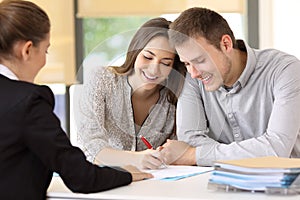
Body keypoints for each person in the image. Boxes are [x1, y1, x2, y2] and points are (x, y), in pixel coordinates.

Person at [0, 1, 152, 199]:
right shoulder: (28, 102)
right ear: (27, 50)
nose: (45, 60)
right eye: (45, 50)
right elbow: (81, 177)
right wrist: (126, 175)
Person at [160, 7, 300, 166]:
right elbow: (189, 141)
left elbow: (276, 149)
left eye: (199, 60)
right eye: (186, 63)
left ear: (225, 44)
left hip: (286, 184)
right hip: (219, 184)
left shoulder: (285, 70)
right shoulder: (194, 78)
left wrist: (195, 155)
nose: (193, 73)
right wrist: (250, 152)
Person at [76, 17, 186, 169]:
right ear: (135, 52)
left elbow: (179, 150)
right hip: (105, 183)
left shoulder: (175, 98)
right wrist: (135, 159)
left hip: (154, 185)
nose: (154, 69)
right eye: (148, 57)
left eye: (165, 63)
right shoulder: (102, 79)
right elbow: (90, 145)